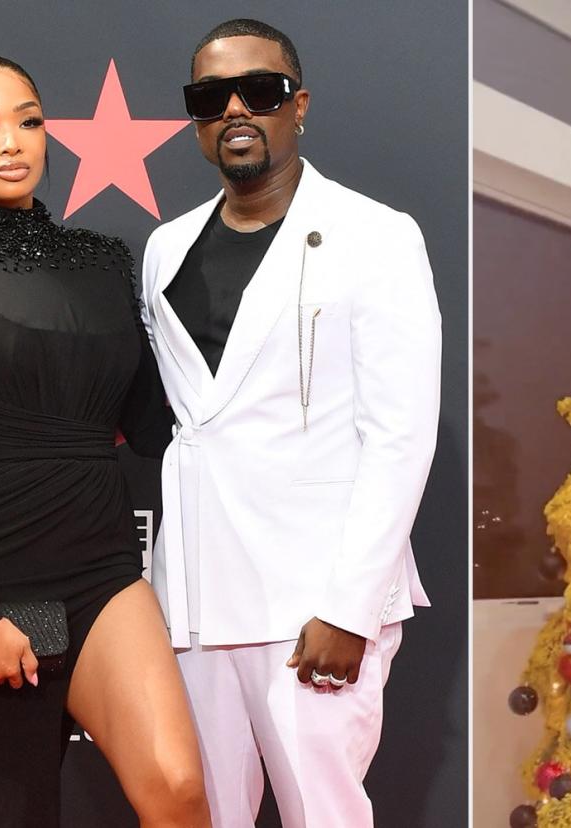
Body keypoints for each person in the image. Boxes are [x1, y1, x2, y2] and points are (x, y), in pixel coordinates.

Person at [0, 49, 211, 827]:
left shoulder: (102, 259)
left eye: (28, 121)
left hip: (98, 562)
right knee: (8, 810)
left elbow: (154, 424)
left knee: (178, 786)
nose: (12, 141)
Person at [142, 19, 441, 827]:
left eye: (261, 91)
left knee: (324, 814)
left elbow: (401, 433)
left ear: (297, 104)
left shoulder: (376, 235)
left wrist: (349, 605)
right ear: (197, 120)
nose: (236, 109)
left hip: (315, 599)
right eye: (211, 97)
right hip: (196, 597)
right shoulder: (165, 249)